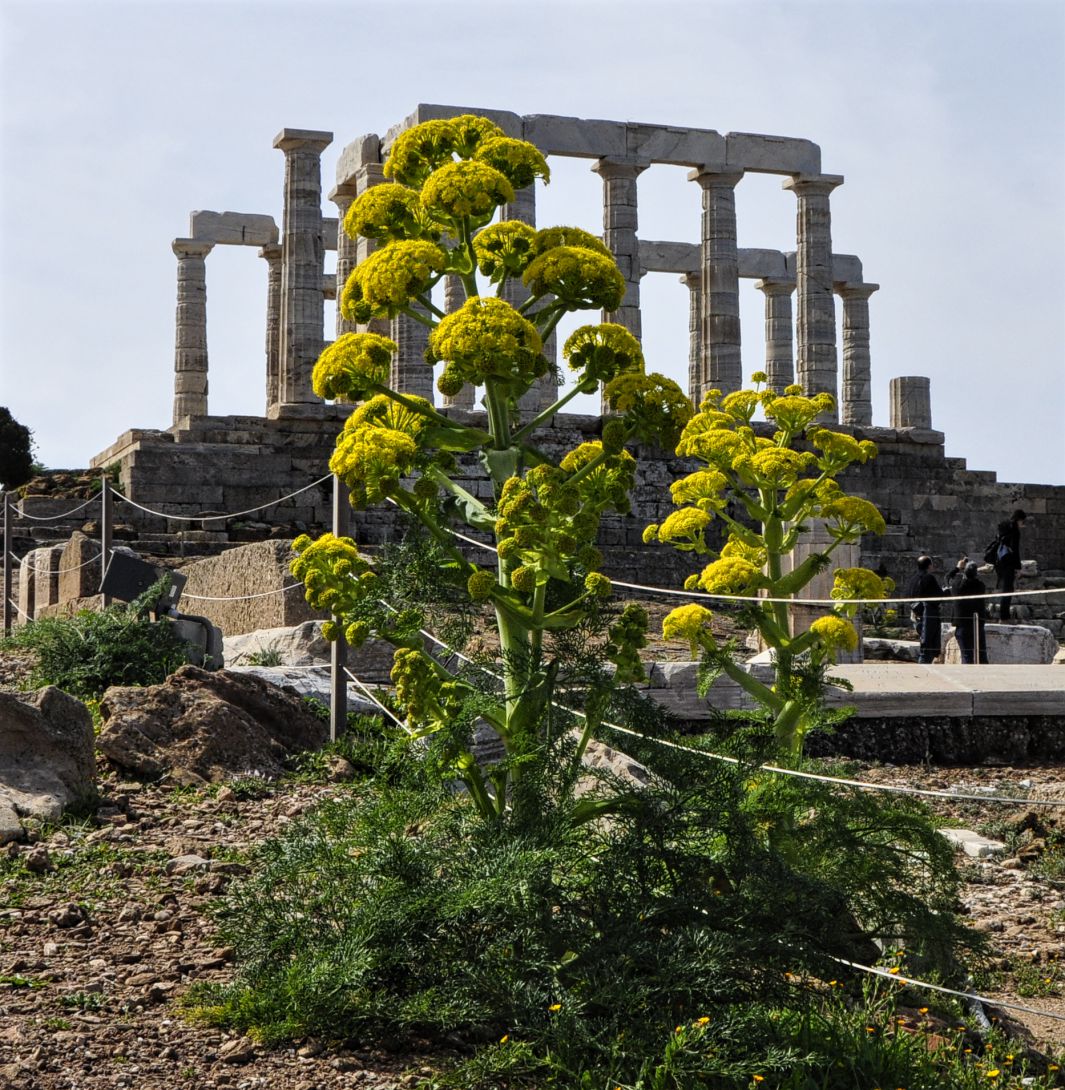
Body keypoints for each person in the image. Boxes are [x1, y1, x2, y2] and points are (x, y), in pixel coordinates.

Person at [907, 555, 943, 664]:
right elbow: (939, 595)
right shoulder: (929, 578)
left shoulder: (913, 579)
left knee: (925, 646)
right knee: (927, 647)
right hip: (927, 616)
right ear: (929, 566)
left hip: (916, 615)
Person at [993, 509, 1026, 622]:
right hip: (1009, 563)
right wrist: (1018, 568)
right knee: (1008, 589)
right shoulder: (1014, 531)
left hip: (999, 562)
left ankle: (1003, 615)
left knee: (1005, 589)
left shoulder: (1003, 528)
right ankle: (1004, 617)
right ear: (1019, 519)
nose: (1023, 524)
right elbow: (1015, 550)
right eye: (1022, 521)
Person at [953, 561, 989, 664]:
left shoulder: (957, 586)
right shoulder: (980, 586)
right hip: (977, 624)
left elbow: (947, 577)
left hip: (963, 625)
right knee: (982, 655)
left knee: (967, 656)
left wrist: (957, 568)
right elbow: (976, 580)